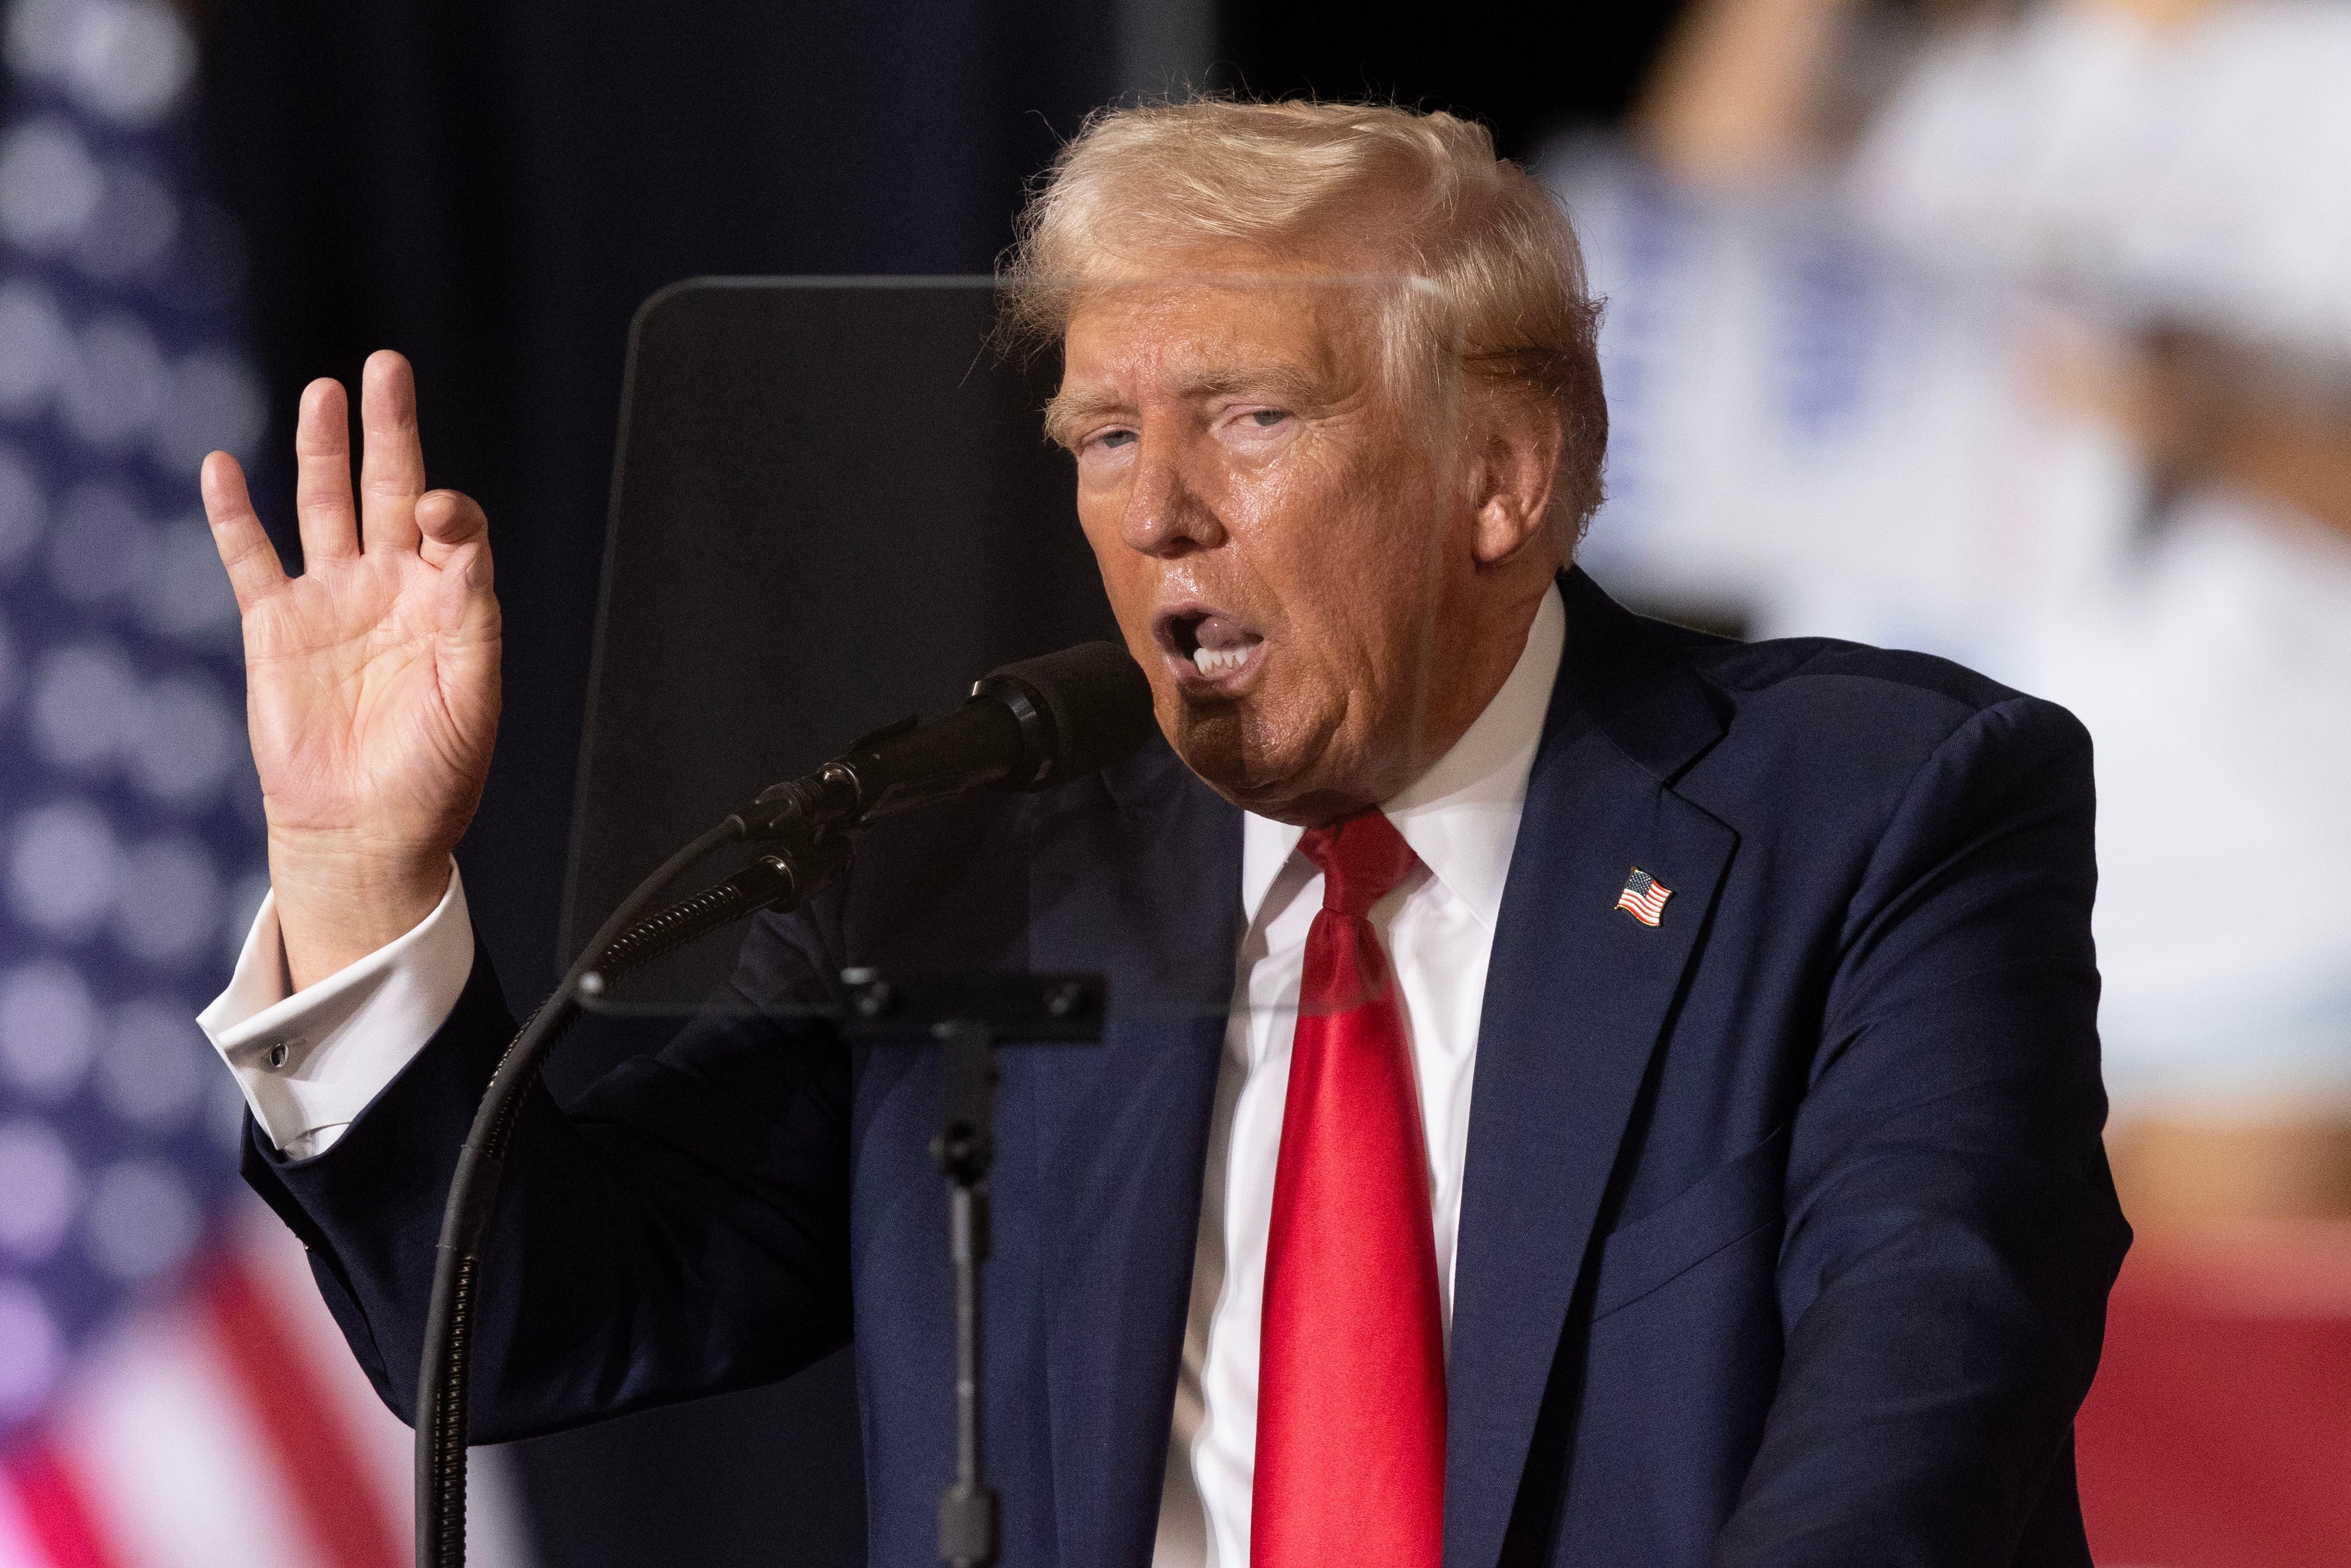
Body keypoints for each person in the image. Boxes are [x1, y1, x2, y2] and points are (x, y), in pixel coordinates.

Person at [195, 100, 2128, 1567]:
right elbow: (539, 1316)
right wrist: (360, 866)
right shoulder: (974, 856)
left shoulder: (1871, 821)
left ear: (1499, 477)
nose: (1155, 511)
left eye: (1251, 417)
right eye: (1105, 438)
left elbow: (1920, 1402)